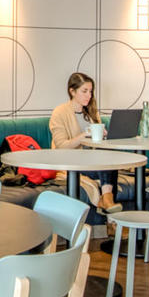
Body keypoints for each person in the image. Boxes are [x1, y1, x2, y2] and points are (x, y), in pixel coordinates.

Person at [48, 72, 121, 213]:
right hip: (70, 162)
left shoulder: (91, 113)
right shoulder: (60, 112)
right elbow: (61, 146)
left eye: (91, 91)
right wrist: (84, 135)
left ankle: (107, 200)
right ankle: (110, 214)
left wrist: (104, 137)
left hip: (92, 162)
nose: (89, 95)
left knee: (111, 161)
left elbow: (98, 145)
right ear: (72, 91)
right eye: (84, 91)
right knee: (106, 165)